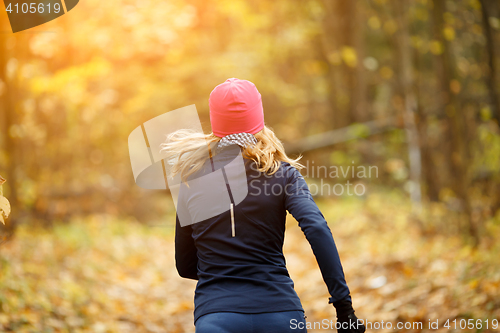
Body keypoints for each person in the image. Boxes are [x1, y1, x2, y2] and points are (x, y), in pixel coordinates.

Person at [160, 78, 365, 333]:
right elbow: (317, 228)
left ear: (216, 122)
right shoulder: (284, 174)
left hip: (216, 317)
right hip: (280, 313)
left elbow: (185, 265)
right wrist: (344, 308)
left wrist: (221, 272)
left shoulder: (191, 179)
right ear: (258, 119)